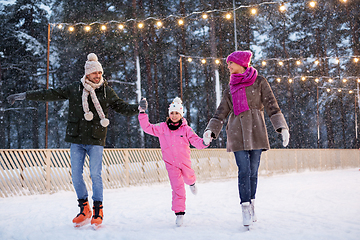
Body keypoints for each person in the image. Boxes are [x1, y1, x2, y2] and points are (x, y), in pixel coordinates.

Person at [7, 53, 139, 228]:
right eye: (94, 73)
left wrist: (139, 108)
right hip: (76, 139)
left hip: (96, 139)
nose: (98, 76)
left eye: (99, 73)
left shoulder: (106, 91)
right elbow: (50, 94)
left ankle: (98, 210)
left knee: (95, 175)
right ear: (87, 74)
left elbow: (123, 107)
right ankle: (84, 209)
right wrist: (23, 95)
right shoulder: (75, 88)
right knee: (76, 176)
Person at [202, 50, 289, 228]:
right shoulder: (230, 87)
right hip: (237, 132)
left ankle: (252, 203)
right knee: (243, 170)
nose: (228, 66)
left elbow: (272, 105)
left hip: (257, 131)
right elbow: (221, 112)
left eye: (230, 63)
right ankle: (245, 207)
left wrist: (282, 127)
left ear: (241, 63)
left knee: (253, 171)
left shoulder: (259, 82)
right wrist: (211, 130)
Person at [138, 97, 211, 227]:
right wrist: (142, 112)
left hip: (184, 162)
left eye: (177, 113)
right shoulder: (162, 128)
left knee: (188, 178)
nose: (174, 115)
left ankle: (192, 182)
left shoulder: (186, 129)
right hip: (171, 164)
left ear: (181, 114)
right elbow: (147, 127)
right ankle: (179, 213)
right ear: (169, 114)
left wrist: (205, 142)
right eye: (172, 113)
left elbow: (196, 141)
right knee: (177, 188)